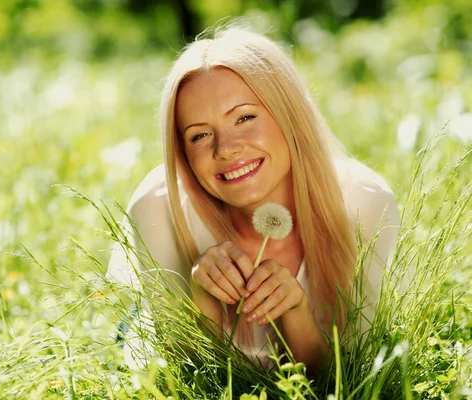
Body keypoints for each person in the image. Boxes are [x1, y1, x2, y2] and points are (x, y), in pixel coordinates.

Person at [107, 25, 400, 372]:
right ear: (183, 152)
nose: (226, 149)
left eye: (245, 117)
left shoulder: (365, 205)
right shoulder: (158, 209)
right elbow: (190, 376)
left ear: (289, 115)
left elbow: (355, 375)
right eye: (200, 135)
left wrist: (296, 315)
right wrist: (203, 300)